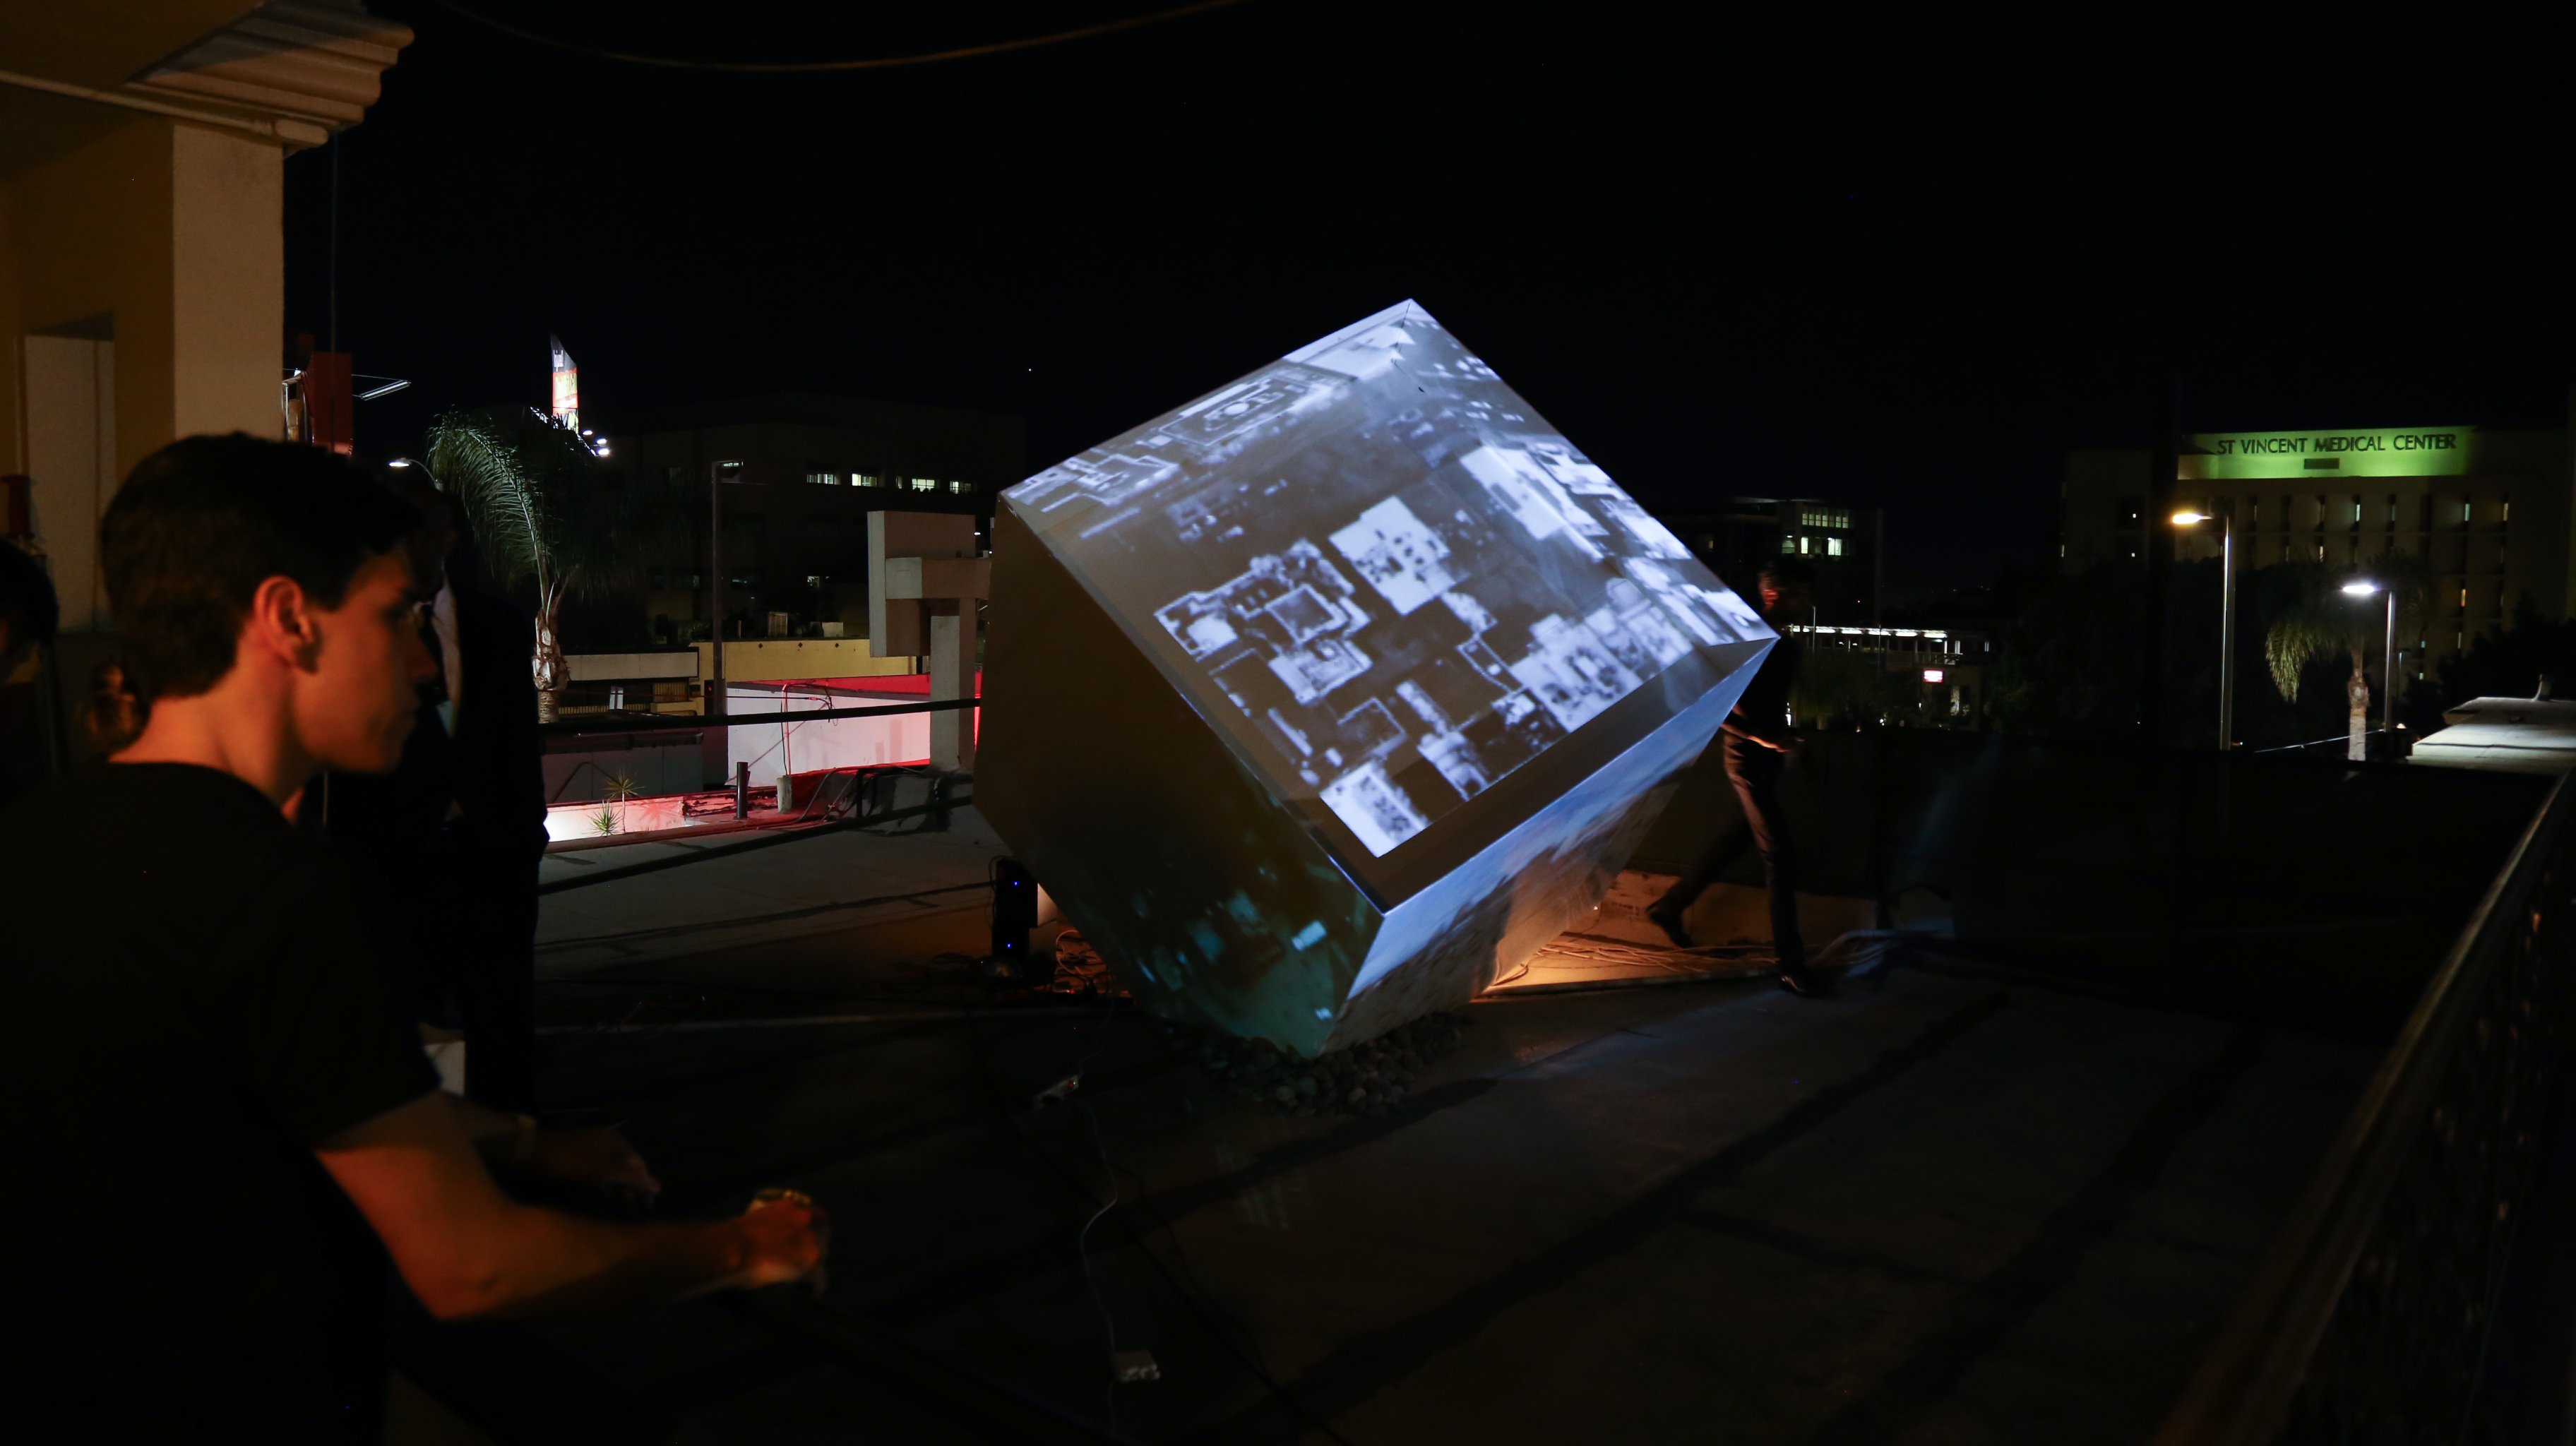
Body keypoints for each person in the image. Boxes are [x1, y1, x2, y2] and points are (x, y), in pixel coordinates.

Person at [0, 435, 825, 1441]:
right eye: (393, 618)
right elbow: (473, 1264)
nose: (426, 664)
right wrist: (744, 1250)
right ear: (289, 621)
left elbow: (271, 1088)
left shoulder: (43, 833)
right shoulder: (283, 892)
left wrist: (527, 1142)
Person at [328, 479, 547, 1112]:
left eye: (417, 531)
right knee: (402, 1020)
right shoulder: (359, 623)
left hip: (494, 861)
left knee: (503, 1021)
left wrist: (522, 837)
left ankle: (513, 1151)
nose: (403, 545)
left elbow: (517, 742)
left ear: (447, 539)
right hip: (394, 861)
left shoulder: (498, 624)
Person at [1647, 555, 1831, 998]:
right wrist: (1766, 741)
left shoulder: (1783, 644)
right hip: (1746, 766)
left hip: (1762, 763)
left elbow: (1768, 707)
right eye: (1799, 594)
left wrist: (1789, 747)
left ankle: (1669, 908)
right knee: (1780, 860)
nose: (1807, 602)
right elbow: (1716, 702)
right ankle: (1791, 964)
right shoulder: (1752, 639)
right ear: (1774, 595)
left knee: (1735, 839)